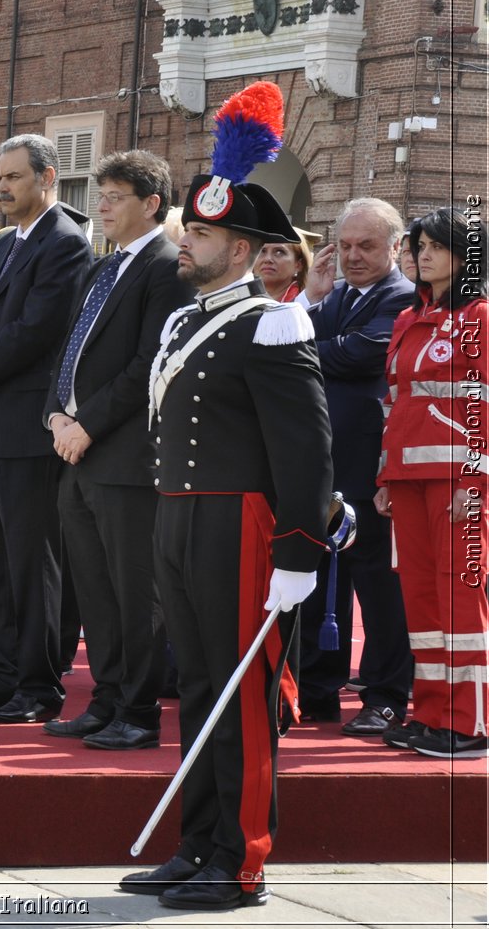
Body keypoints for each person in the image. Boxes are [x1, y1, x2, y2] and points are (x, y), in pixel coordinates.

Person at [122, 82, 332, 910]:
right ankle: (196, 842)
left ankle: (240, 859)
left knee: (242, 696)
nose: (186, 243)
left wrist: (299, 553)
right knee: (200, 682)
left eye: (200, 234)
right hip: (178, 515)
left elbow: (305, 452)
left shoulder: (274, 323)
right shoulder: (183, 321)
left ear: (239, 249)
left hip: (241, 522)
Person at [41, 150, 192, 750]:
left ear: (151, 204)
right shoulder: (102, 267)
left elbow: (147, 365)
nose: (100, 205)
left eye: (114, 195)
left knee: (135, 592)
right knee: (94, 590)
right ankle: (105, 698)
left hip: (124, 455)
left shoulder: (165, 266)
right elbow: (69, 349)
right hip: (75, 448)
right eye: (99, 194)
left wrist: (88, 425)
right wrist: (54, 412)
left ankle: (138, 709)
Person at [0, 134, 92, 723]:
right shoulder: (4, 247)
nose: (2, 188)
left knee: (33, 560)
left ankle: (38, 682)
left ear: (47, 178)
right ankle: (4, 674)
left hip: (27, 425)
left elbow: (35, 331)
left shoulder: (65, 244)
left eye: (14, 178)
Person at [294, 199, 415, 736]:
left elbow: (356, 356)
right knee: (320, 583)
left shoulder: (403, 300)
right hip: (323, 465)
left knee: (377, 590)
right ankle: (320, 689)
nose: (352, 256)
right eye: (343, 246)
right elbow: (296, 347)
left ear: (395, 247)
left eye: (366, 245)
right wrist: (314, 301)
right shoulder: (334, 296)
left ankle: (387, 693)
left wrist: (312, 343)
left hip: (371, 471)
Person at [375, 207, 489, 759]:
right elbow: (394, 404)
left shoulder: (483, 318)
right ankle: (430, 715)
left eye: (436, 245)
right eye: (418, 245)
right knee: (421, 602)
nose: (422, 254)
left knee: (460, 602)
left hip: (457, 485)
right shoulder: (406, 320)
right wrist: (383, 475)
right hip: (407, 482)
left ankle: (468, 724)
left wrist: (477, 481)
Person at [253, 231, 313, 303]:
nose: (267, 259)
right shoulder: (241, 299)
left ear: (299, 264)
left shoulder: (308, 303)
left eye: (279, 252)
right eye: (262, 251)